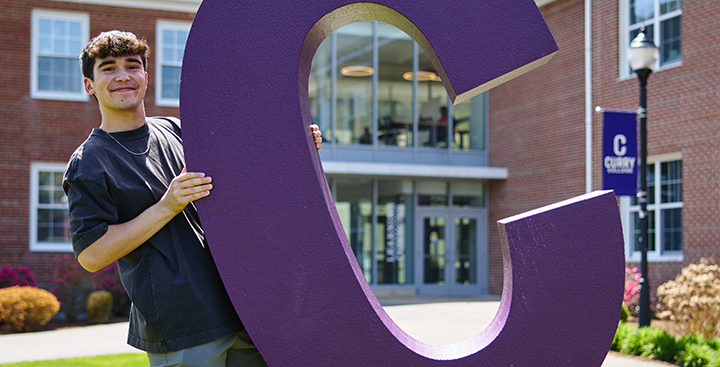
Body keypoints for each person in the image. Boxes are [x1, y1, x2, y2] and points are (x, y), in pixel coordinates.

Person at [63, 30, 322, 367]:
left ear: (145, 76)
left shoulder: (175, 129)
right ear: (89, 85)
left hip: (242, 308)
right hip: (182, 326)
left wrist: (293, 148)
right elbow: (92, 255)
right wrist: (168, 206)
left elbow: (242, 174)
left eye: (132, 66)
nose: (123, 76)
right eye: (108, 68)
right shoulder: (89, 162)